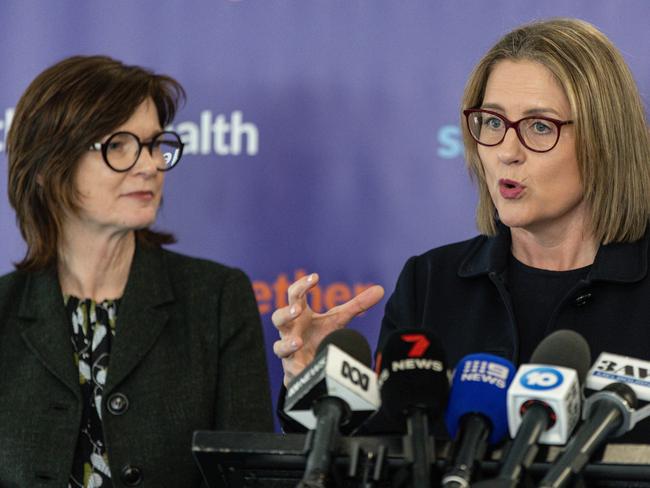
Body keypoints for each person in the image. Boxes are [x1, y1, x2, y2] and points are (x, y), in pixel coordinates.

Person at [273, 18, 650, 443]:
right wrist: (314, 392)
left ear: (605, 139)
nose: (507, 152)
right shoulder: (431, 281)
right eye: (492, 122)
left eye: (540, 126)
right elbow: (379, 453)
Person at [0, 55, 273, 487]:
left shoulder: (217, 298)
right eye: (118, 146)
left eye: (152, 144)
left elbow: (247, 477)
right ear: (48, 168)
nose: (150, 165)